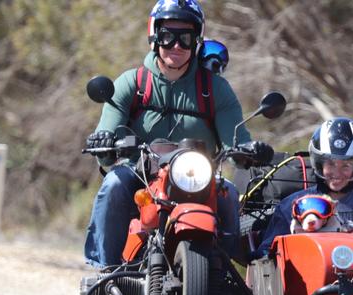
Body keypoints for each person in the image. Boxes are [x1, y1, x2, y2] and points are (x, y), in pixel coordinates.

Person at [84, 0, 271, 268]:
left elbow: (237, 144)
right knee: (113, 183)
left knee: (228, 193)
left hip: (198, 179)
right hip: (140, 176)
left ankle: (229, 278)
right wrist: (102, 141)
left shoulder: (216, 89)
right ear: (154, 35)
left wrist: (250, 150)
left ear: (197, 40)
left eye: (185, 38)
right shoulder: (132, 82)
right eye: (167, 36)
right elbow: (105, 140)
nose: (176, 46)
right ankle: (104, 271)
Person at [255, 117, 353, 258]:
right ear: (318, 164)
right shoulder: (295, 203)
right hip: (308, 289)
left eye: (346, 165)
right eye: (331, 164)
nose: (337, 173)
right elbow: (269, 249)